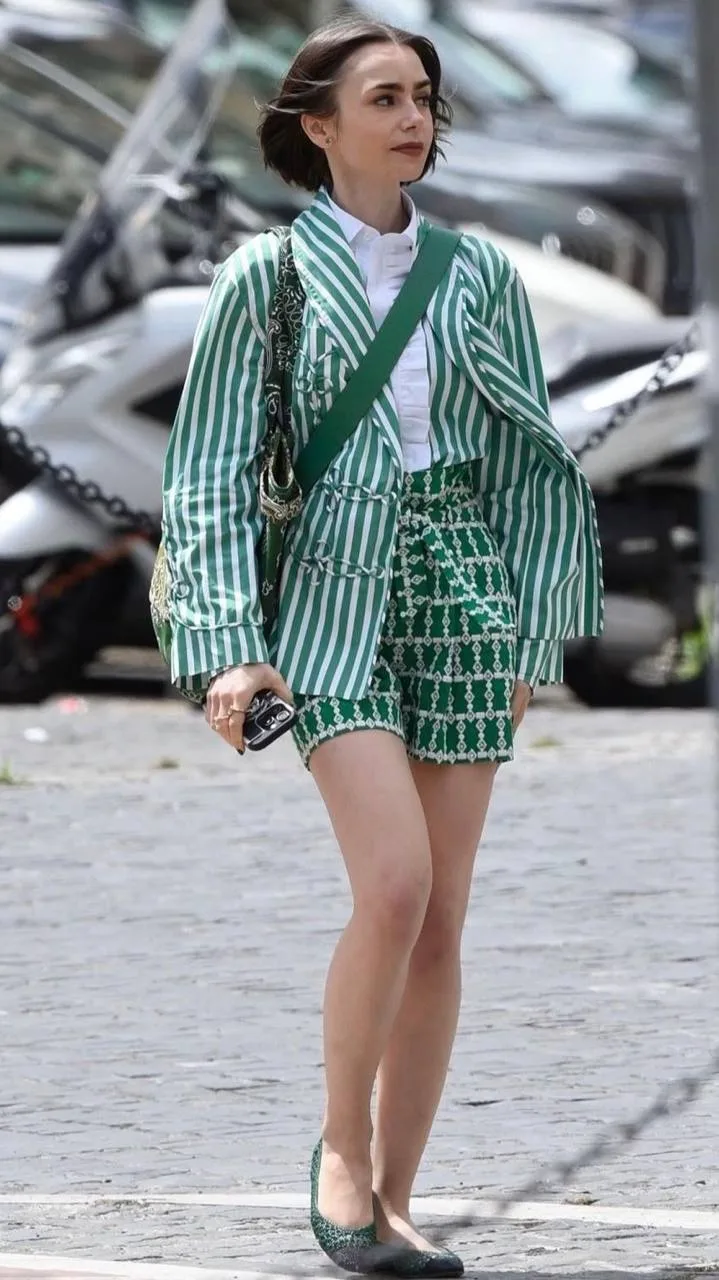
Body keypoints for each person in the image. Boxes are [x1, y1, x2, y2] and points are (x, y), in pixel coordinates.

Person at [158, 16, 603, 1277]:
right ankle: (340, 1150)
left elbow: (520, 455)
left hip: (461, 586)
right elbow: (207, 476)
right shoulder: (264, 280)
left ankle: (397, 1197)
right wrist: (228, 645)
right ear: (318, 125)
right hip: (328, 597)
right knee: (394, 886)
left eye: (422, 97)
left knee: (442, 918)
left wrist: (528, 631)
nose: (413, 119)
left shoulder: (477, 275)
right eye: (384, 98)